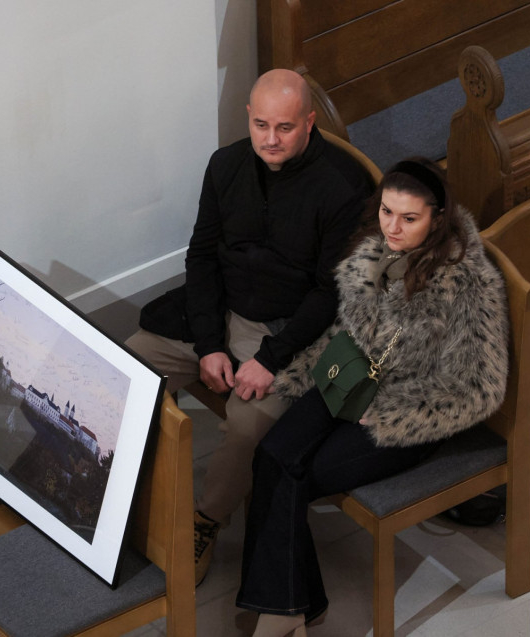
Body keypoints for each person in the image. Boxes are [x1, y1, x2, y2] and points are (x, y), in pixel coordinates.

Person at [235, 158, 510, 636]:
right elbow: (349, 330)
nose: (392, 227)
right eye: (386, 212)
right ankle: (292, 609)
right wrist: (303, 369)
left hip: (405, 415)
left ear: (437, 218)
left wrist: (392, 411)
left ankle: (284, 614)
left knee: (295, 475)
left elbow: (479, 388)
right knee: (271, 455)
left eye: (409, 218)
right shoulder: (373, 253)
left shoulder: (469, 282)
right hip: (349, 379)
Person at [124, 69, 372, 585]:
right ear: (248, 118)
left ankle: (205, 521)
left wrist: (269, 358)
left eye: (285, 127)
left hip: (289, 330)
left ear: (309, 122)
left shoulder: (343, 188)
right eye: (261, 125)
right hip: (219, 310)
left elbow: (329, 294)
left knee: (246, 425)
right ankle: (117, 496)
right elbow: (201, 256)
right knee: (127, 367)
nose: (271, 139)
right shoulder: (226, 164)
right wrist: (209, 344)